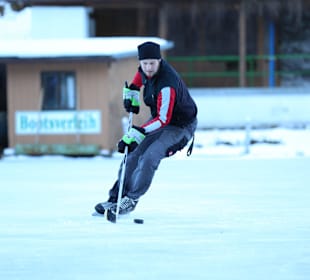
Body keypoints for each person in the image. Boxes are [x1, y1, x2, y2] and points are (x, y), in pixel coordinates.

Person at [95, 41, 197, 216]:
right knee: (133, 154)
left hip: (179, 126)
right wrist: (131, 95)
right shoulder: (142, 71)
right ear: (140, 63)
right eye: (145, 63)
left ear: (159, 61)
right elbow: (135, 84)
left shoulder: (167, 84)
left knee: (149, 156)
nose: (148, 68)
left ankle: (131, 199)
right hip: (159, 119)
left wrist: (138, 132)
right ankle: (116, 198)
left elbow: (163, 119)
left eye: (152, 63)